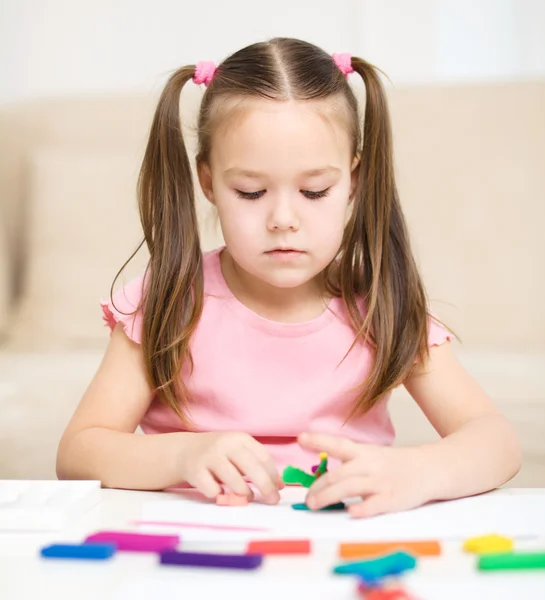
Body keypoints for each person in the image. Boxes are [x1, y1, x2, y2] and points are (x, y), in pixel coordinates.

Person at [57, 38, 521, 518]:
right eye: (252, 192)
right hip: (202, 542)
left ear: (353, 182)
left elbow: (496, 441)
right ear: (209, 183)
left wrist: (418, 471)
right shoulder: (169, 298)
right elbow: (78, 452)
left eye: (314, 191)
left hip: (342, 544)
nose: (283, 218)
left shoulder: (380, 302)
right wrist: (182, 454)